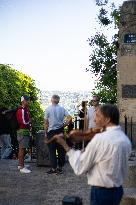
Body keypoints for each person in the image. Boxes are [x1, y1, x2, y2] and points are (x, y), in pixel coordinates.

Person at [53, 104, 132, 205]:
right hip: (118, 190)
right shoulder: (125, 139)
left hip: (101, 192)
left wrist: (65, 146)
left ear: (107, 119)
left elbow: (80, 167)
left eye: (98, 116)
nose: (95, 120)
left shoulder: (100, 139)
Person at [44, 94, 72, 175]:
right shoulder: (62, 109)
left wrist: (45, 133)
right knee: (61, 150)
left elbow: (46, 123)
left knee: (52, 151)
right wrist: (64, 125)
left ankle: (53, 168)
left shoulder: (48, 109)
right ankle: (60, 168)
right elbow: (70, 118)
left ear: (51, 100)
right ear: (58, 101)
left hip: (51, 132)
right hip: (60, 131)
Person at [16, 95, 31, 174]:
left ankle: (20, 165)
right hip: (23, 131)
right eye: (27, 100)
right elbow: (23, 122)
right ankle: (22, 167)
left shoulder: (24, 109)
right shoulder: (21, 110)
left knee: (22, 149)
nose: (28, 101)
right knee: (22, 149)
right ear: (23, 101)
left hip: (23, 131)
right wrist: (30, 121)